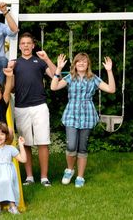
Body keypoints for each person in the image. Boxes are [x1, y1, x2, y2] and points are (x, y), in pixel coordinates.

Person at [50, 53, 116, 188]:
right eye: (79, 61)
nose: (81, 64)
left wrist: (109, 71)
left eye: (84, 62)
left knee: (82, 147)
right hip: (71, 115)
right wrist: (58, 69)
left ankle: (80, 176)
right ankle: (69, 170)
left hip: (87, 115)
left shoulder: (93, 79)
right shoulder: (70, 77)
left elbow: (111, 89)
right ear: (74, 64)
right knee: (71, 145)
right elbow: (54, 87)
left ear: (88, 65)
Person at [10, 32, 57, 187]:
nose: (26, 46)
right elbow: (10, 88)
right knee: (26, 143)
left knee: (43, 142)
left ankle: (44, 177)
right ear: (19, 46)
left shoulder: (40, 61)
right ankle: (29, 177)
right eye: (23, 43)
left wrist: (47, 59)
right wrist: (9, 73)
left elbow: (57, 76)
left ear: (33, 45)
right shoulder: (15, 63)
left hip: (39, 106)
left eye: (28, 43)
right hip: (21, 107)